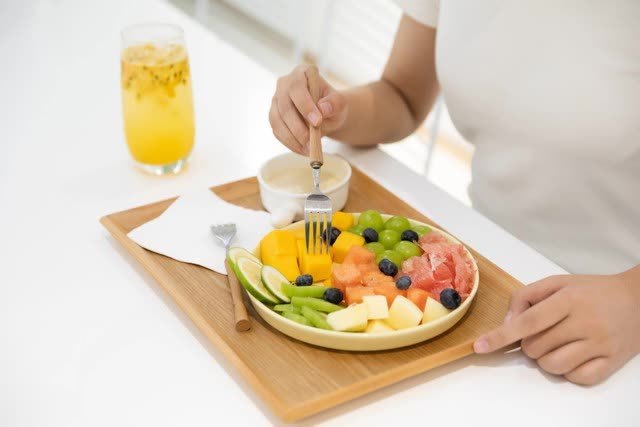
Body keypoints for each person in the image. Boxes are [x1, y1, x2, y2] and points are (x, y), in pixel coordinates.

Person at [268, 0, 640, 385]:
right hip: (485, 267)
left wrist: (633, 298)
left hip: (613, 308)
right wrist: (337, 113)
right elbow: (401, 95)